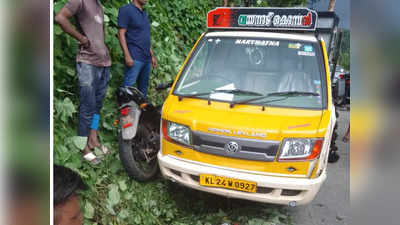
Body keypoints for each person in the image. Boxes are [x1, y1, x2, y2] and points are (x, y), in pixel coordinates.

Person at [55, 0, 111, 164]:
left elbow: (100, 33)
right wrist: (81, 38)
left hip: (104, 63)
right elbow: (60, 18)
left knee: (97, 105)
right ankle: (83, 146)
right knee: (87, 105)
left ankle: (93, 138)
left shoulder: (99, 5)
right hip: (88, 62)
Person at [117, 0, 157, 97]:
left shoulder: (144, 13)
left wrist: (152, 56)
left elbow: (145, 36)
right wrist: (127, 56)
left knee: (143, 90)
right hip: (134, 57)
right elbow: (120, 34)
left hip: (146, 58)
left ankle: (141, 112)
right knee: (127, 89)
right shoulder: (126, 10)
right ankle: (125, 111)